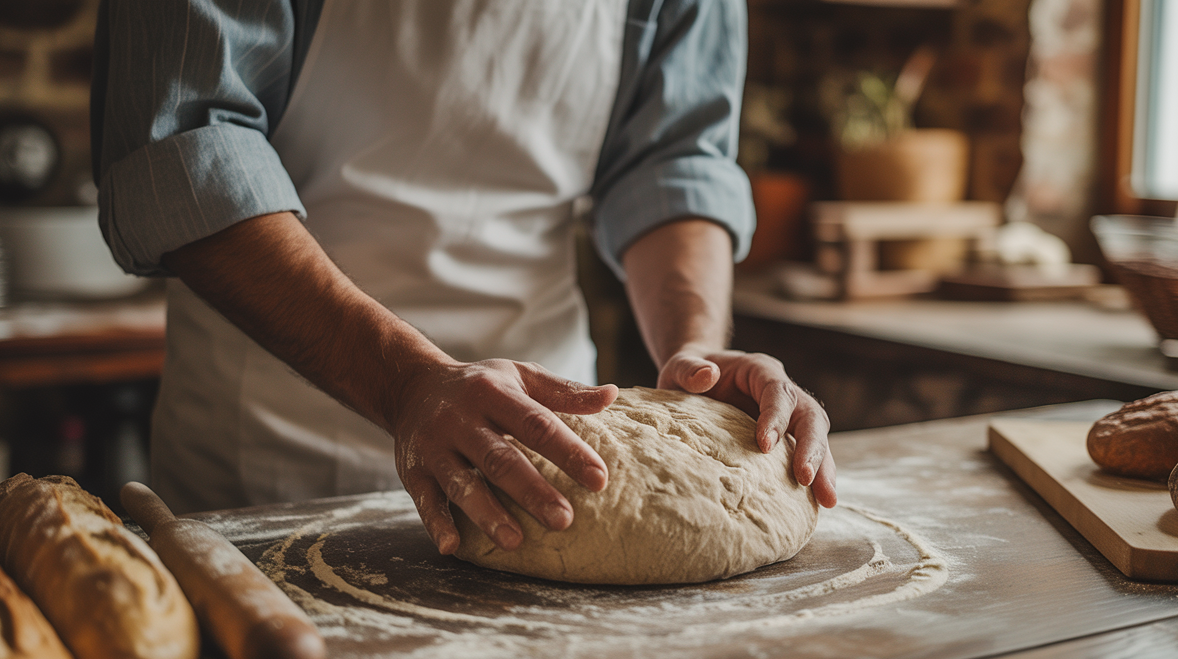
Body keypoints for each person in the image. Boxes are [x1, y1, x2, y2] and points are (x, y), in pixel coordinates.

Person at [92, 0, 837, 555]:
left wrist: (696, 355)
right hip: (275, 456)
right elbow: (183, 152)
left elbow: (671, 161)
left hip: (551, 456)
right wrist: (406, 381)